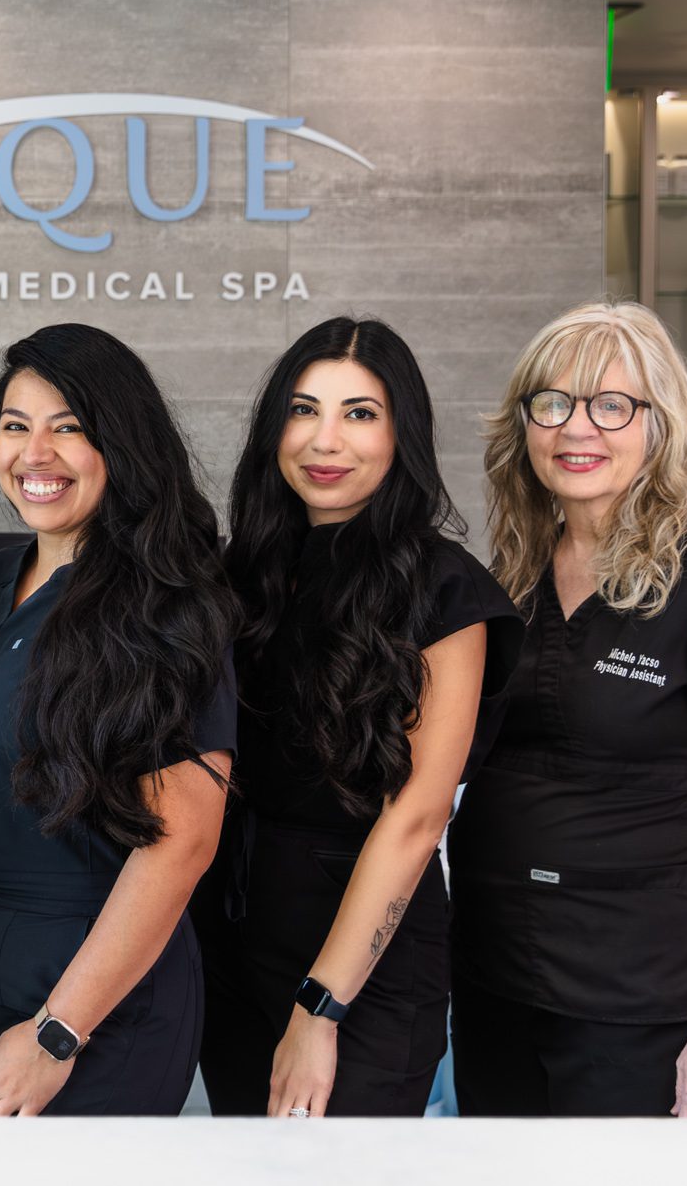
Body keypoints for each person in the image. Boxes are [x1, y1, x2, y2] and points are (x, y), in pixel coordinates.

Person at [449, 301, 687, 1117]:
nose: (579, 428)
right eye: (554, 403)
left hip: (640, 997)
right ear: (525, 425)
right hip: (494, 976)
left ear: (661, 426)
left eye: (614, 405)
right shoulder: (510, 574)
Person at [0, 323, 238, 1116]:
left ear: (121, 442)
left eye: (68, 427)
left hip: (98, 996)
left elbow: (183, 842)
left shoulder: (167, 605)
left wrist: (56, 1031)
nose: (34, 453)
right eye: (16, 426)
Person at [190, 317, 522, 1118]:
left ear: (402, 431)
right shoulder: (242, 572)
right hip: (229, 940)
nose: (325, 439)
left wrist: (321, 1009)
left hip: (361, 969)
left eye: (360, 413)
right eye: (304, 410)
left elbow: (416, 816)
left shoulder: (445, 590)